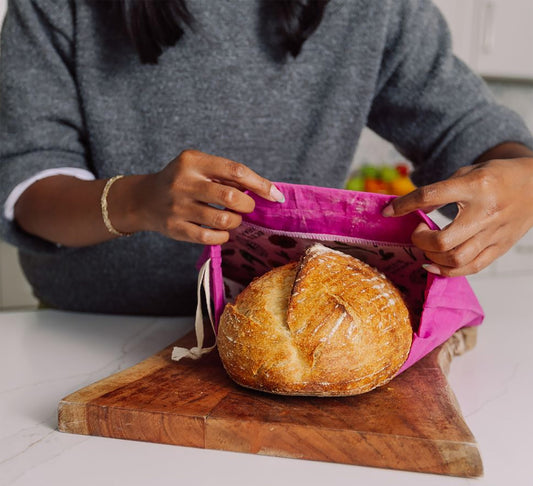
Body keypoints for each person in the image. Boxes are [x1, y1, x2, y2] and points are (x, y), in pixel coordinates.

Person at [0, 0, 532, 316]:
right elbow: (26, 187)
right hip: (83, 334)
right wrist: (139, 201)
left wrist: (522, 178)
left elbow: (470, 130)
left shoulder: (373, 9)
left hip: (294, 335)